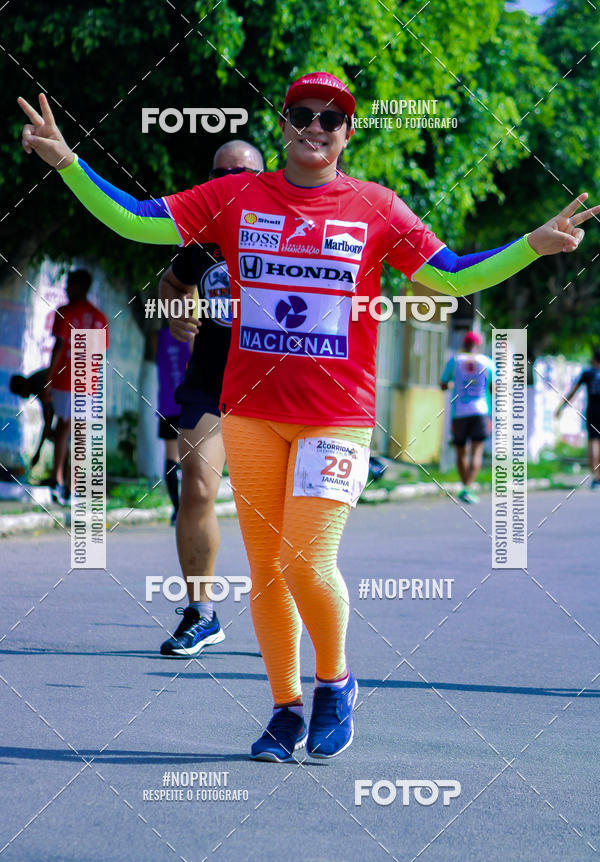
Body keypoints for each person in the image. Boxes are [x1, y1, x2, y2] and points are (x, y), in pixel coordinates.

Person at [19, 76, 599, 761]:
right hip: (252, 413)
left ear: (348, 133)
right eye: (303, 114)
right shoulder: (236, 195)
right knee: (267, 570)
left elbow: (449, 275)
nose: (316, 126)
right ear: (284, 124)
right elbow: (136, 220)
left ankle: (335, 682)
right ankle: (285, 709)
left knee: (307, 558)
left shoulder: (375, 206)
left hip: (337, 416)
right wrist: (69, 165)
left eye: (333, 118)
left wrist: (530, 244)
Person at [158, 140, 264, 658]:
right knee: (196, 485)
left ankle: (292, 616)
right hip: (210, 381)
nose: (231, 182)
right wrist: (177, 312)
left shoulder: (286, 236)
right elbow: (172, 284)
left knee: (282, 511)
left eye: (243, 174)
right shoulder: (201, 239)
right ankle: (201, 612)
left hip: (274, 385)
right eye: (221, 174)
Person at [44, 269, 108, 504]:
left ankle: (56, 480)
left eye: (70, 284)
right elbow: (99, 356)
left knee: (63, 429)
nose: (66, 288)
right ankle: (72, 487)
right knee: (79, 433)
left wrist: (48, 380)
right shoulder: (100, 318)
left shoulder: (65, 312)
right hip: (88, 383)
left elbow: (59, 348)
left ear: (80, 287)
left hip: (64, 380)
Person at [440, 331, 494, 504]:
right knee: (476, 452)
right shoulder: (487, 362)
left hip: (460, 412)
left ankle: (465, 486)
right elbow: (495, 388)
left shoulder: (455, 361)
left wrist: (455, 384)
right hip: (481, 411)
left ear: (464, 344)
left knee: (461, 451)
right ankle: (467, 487)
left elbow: (443, 384)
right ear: (478, 345)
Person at [152, 323, 191, 524]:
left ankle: (177, 509)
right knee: (190, 459)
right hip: (188, 406)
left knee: (172, 458)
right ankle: (184, 508)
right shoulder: (191, 335)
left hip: (168, 405)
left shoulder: (157, 337)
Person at [555, 348, 600, 488]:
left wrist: (561, 407)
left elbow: (573, 391)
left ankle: (596, 477)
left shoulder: (587, 373)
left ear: (594, 359)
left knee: (593, 441)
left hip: (593, 410)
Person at [9, 368, 54, 470]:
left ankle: (60, 477)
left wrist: (38, 452)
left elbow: (48, 420)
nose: (21, 397)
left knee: (59, 435)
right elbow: (48, 420)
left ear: (23, 386)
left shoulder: (38, 385)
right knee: (53, 434)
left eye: (19, 393)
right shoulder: (35, 383)